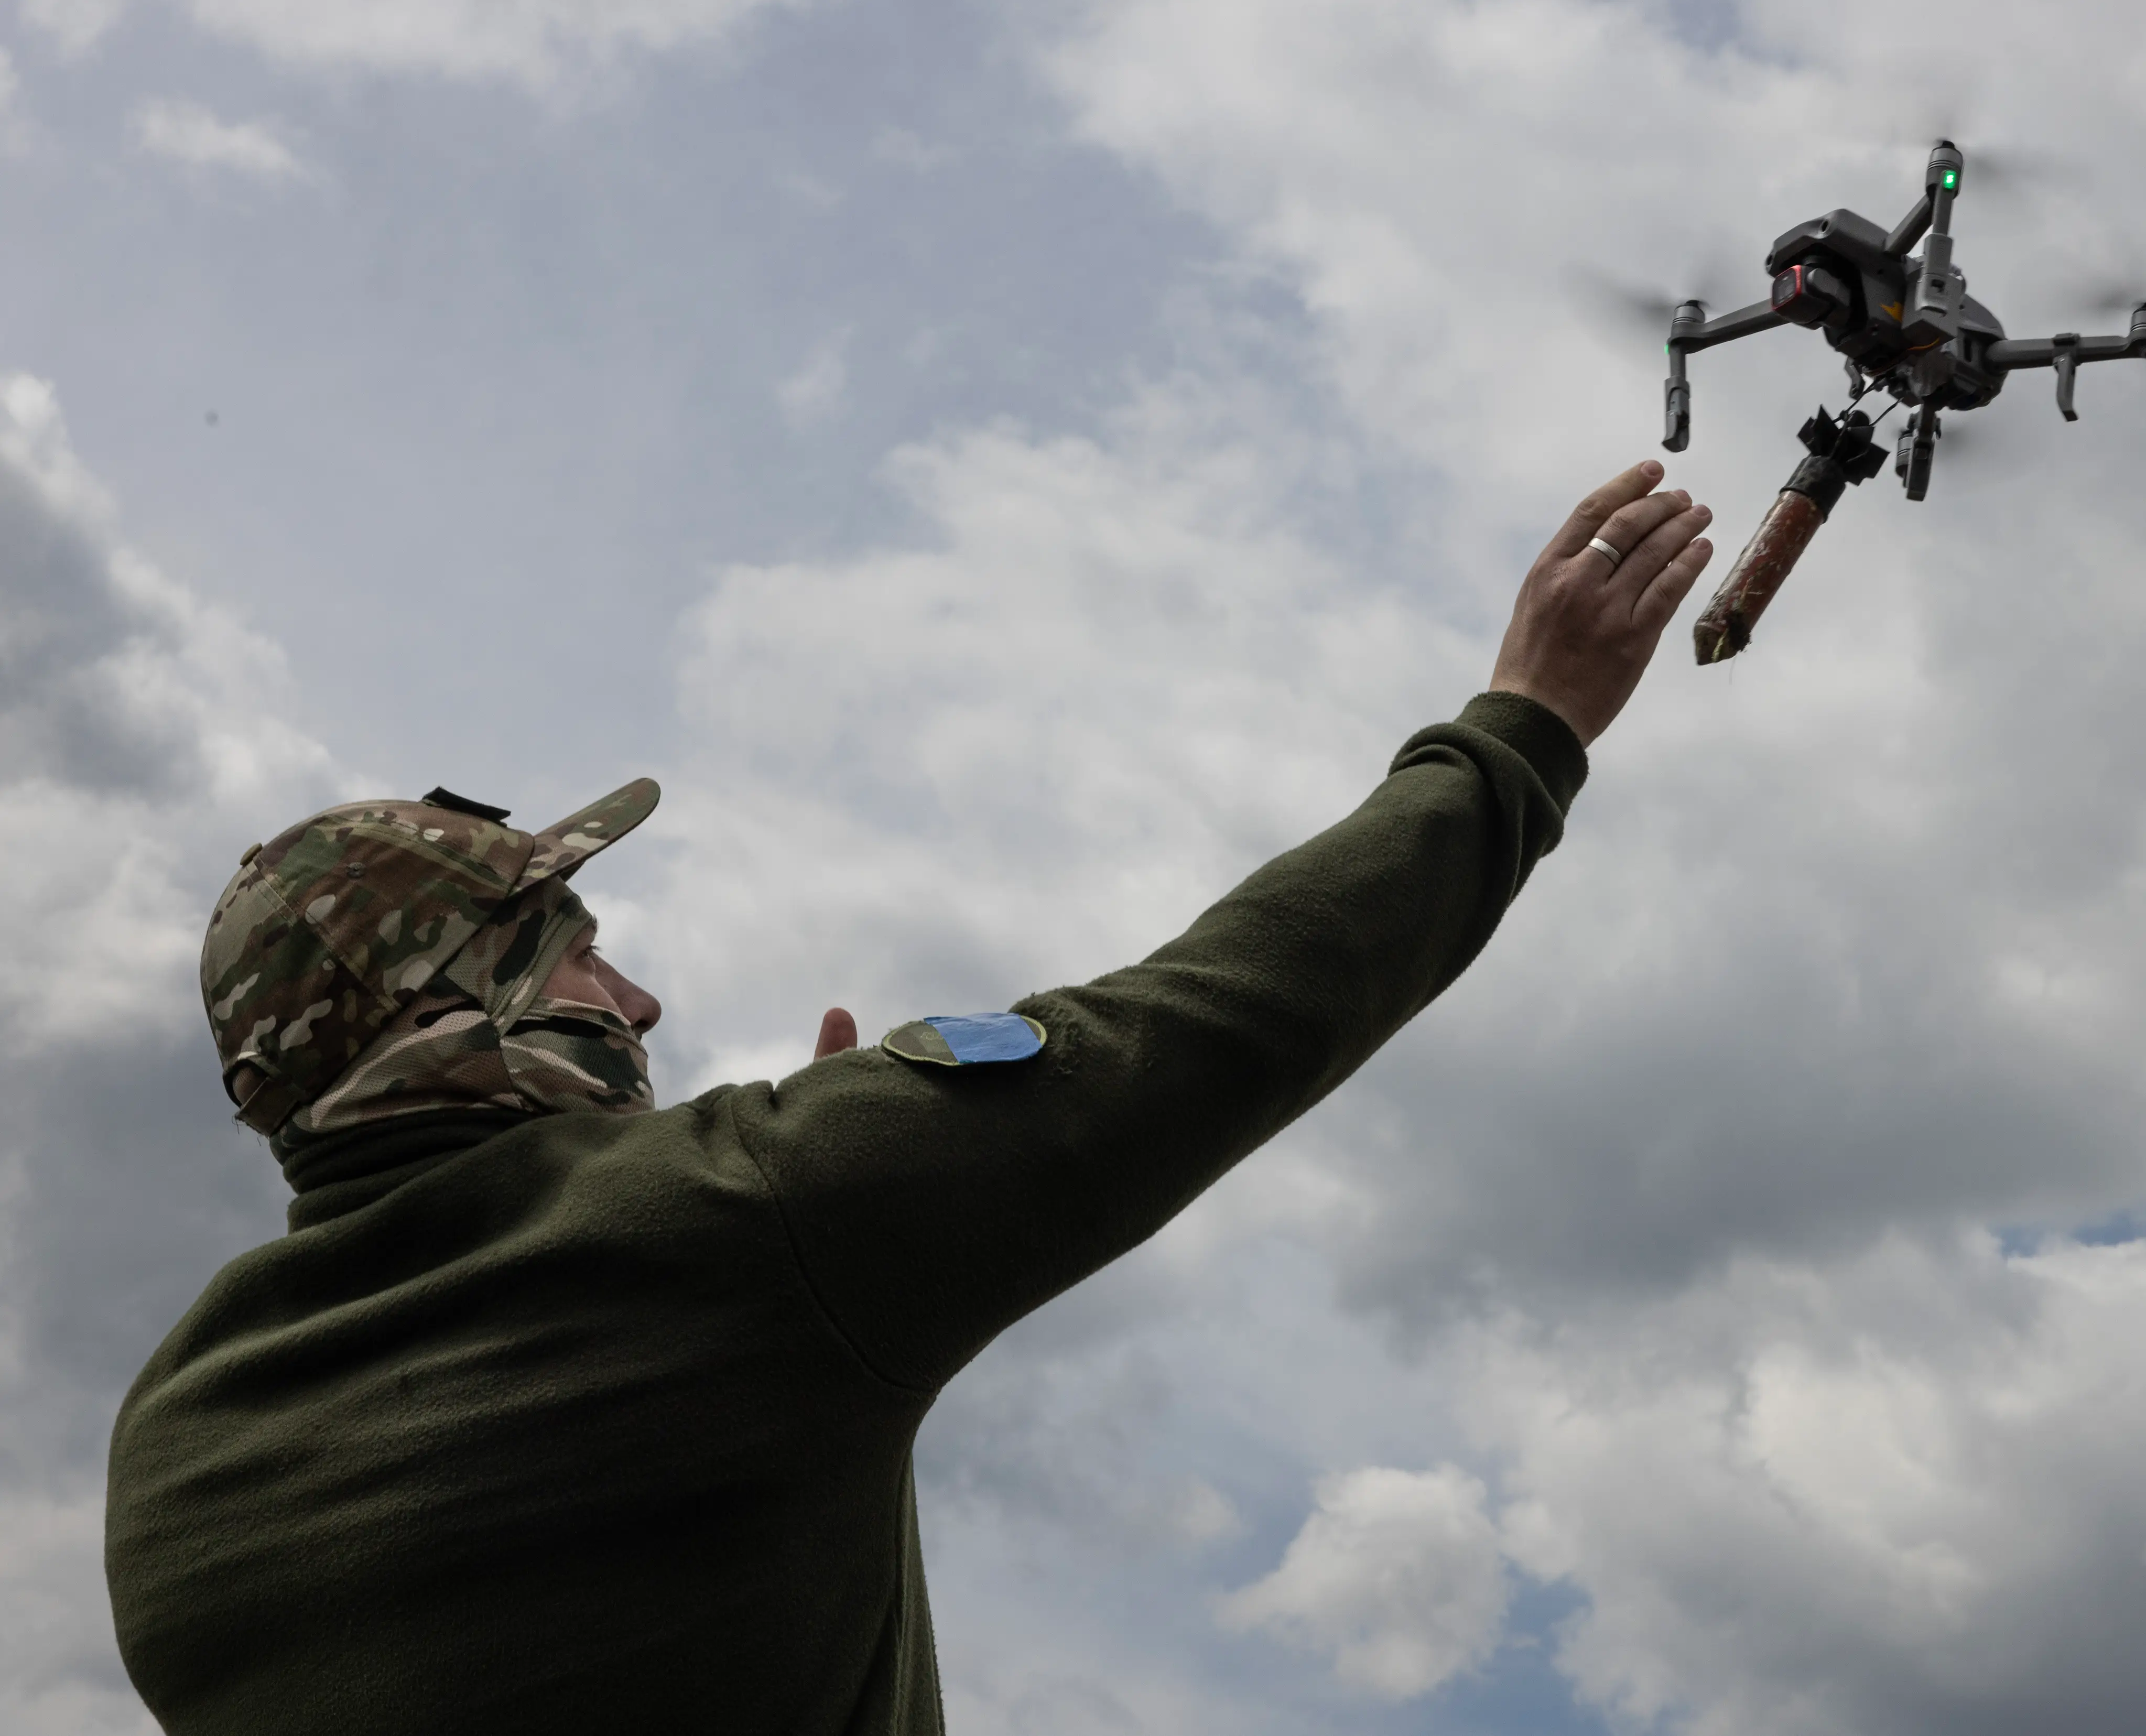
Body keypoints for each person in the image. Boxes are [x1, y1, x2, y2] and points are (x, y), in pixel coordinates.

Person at [104, 463, 1714, 1735]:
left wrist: (812, 1259)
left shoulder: (175, 1445)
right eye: (575, 957)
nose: (638, 1001)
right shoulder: (728, 1228)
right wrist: (1526, 727)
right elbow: (1227, 1013)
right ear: (457, 1015)